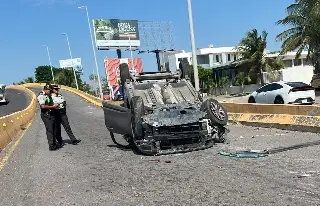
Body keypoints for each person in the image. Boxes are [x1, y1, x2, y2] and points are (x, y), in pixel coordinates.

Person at [37, 85, 61, 151]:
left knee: (54, 128)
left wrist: (55, 106)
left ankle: (54, 143)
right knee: (50, 129)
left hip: (51, 113)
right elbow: (43, 106)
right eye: (50, 90)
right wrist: (53, 107)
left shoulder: (48, 94)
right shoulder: (41, 96)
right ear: (46, 90)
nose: (51, 92)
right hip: (46, 115)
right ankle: (51, 145)